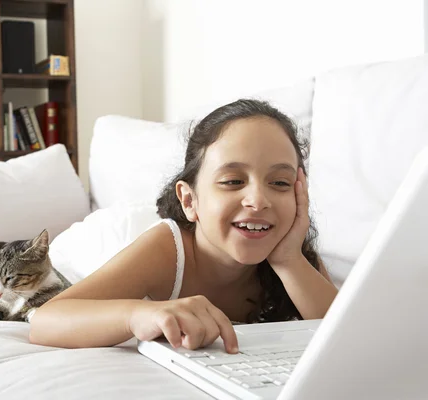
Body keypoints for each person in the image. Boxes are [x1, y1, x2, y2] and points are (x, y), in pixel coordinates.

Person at [29, 99, 338, 354]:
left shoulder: (293, 253)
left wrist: (288, 260)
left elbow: (345, 336)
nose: (258, 200)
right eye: (233, 181)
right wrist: (137, 314)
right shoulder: (166, 250)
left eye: (280, 183)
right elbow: (45, 321)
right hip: (114, 235)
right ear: (190, 200)